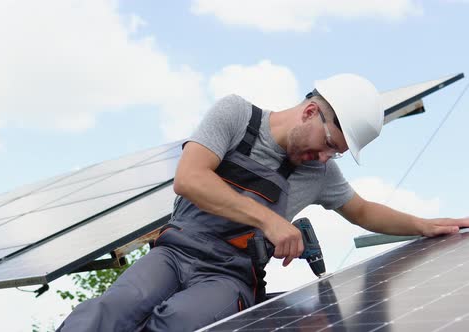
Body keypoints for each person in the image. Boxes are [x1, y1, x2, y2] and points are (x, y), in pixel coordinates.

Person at [56, 73, 469, 332]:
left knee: (179, 322)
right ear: (310, 112)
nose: (326, 159)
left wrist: (424, 224)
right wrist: (270, 222)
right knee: (107, 312)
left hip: (228, 278)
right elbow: (190, 178)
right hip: (174, 253)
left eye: (336, 154)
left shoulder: (320, 174)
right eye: (328, 144)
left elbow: (362, 211)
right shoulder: (235, 117)